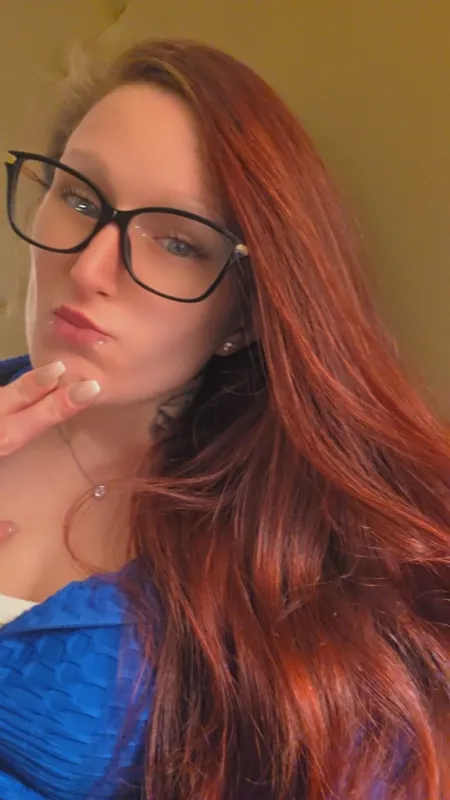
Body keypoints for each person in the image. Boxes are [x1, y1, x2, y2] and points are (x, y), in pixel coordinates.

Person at [0, 37, 448, 800]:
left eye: (178, 242)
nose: (89, 267)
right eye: (77, 197)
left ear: (242, 318)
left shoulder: (284, 555)